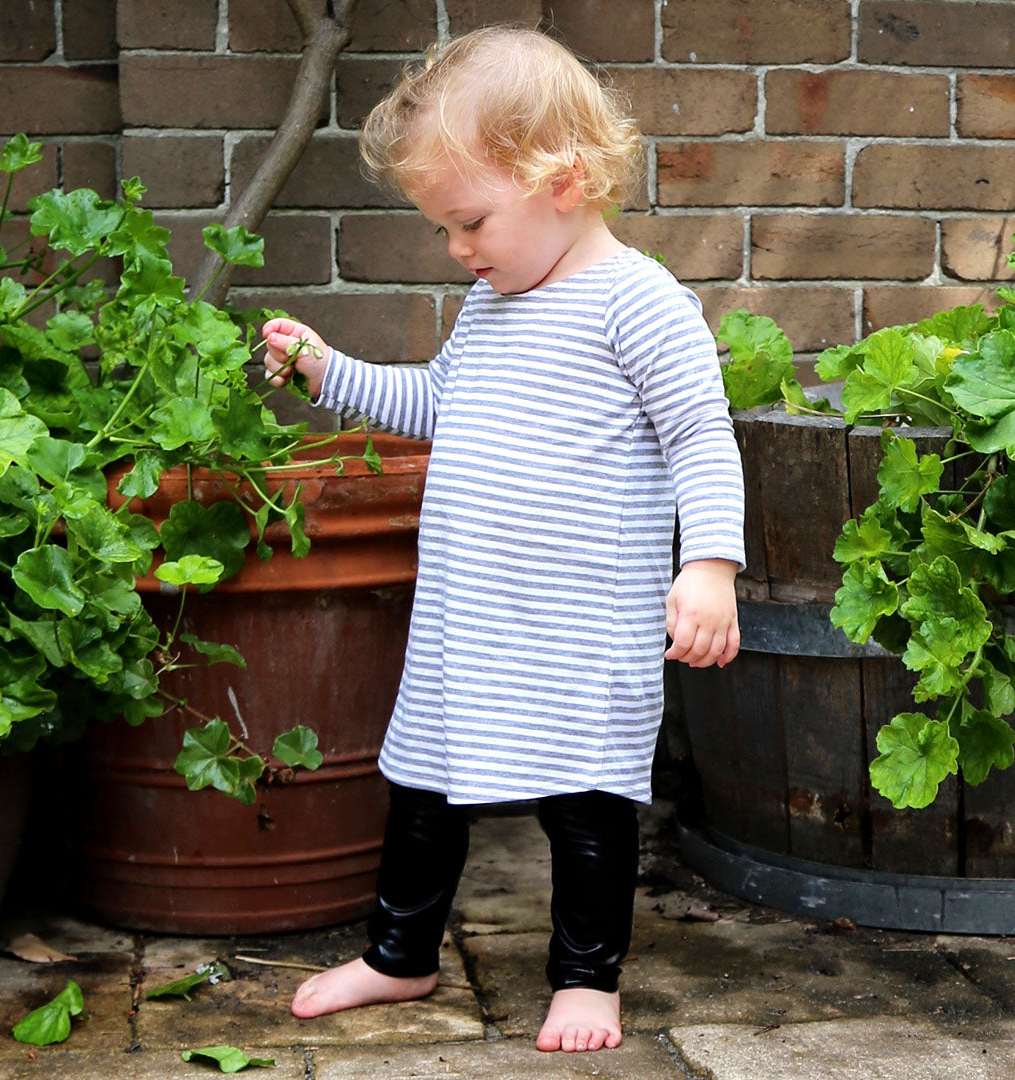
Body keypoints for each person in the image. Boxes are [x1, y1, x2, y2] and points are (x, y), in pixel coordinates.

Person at [261, 25, 745, 1054]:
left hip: (580, 627)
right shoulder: (490, 308)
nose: (457, 250)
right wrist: (327, 370)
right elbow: (438, 401)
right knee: (423, 790)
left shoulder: (639, 306)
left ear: (562, 181)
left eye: (469, 221)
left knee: (588, 802)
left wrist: (708, 565)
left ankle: (586, 979)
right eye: (445, 229)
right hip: (467, 621)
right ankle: (401, 954)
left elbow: (702, 435)